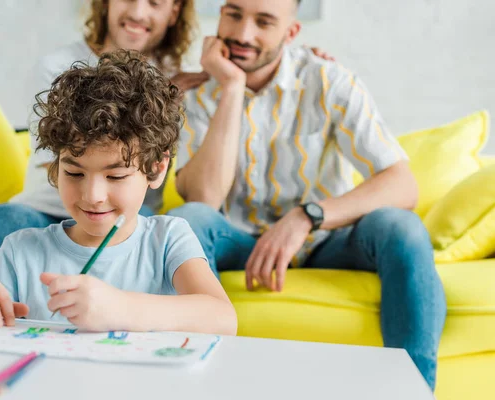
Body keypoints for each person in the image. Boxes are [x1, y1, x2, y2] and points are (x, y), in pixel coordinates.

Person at [167, 0, 446, 391]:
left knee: (401, 226)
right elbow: (204, 199)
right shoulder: (196, 91)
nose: (243, 34)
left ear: (291, 32)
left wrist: (307, 216)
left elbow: (402, 183)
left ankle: (415, 393)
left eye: (264, 21)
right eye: (233, 14)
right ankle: (202, 388)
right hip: (239, 239)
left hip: (326, 240)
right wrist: (231, 88)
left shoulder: (328, 80)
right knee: (190, 221)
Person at [0, 50, 237, 335]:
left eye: (115, 175)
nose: (93, 195)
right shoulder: (19, 251)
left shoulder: (168, 240)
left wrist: (122, 308)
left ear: (156, 168)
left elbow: (224, 318)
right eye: (74, 173)